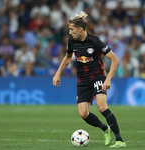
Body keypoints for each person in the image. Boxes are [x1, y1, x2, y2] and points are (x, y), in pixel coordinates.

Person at [52, 11, 126, 148]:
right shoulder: (72, 41)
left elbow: (114, 60)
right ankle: (105, 129)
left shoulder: (95, 41)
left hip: (97, 76)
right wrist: (58, 73)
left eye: (72, 29)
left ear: (80, 29)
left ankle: (120, 140)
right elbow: (68, 57)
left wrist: (108, 79)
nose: (70, 32)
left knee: (102, 107)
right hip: (83, 79)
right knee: (83, 113)